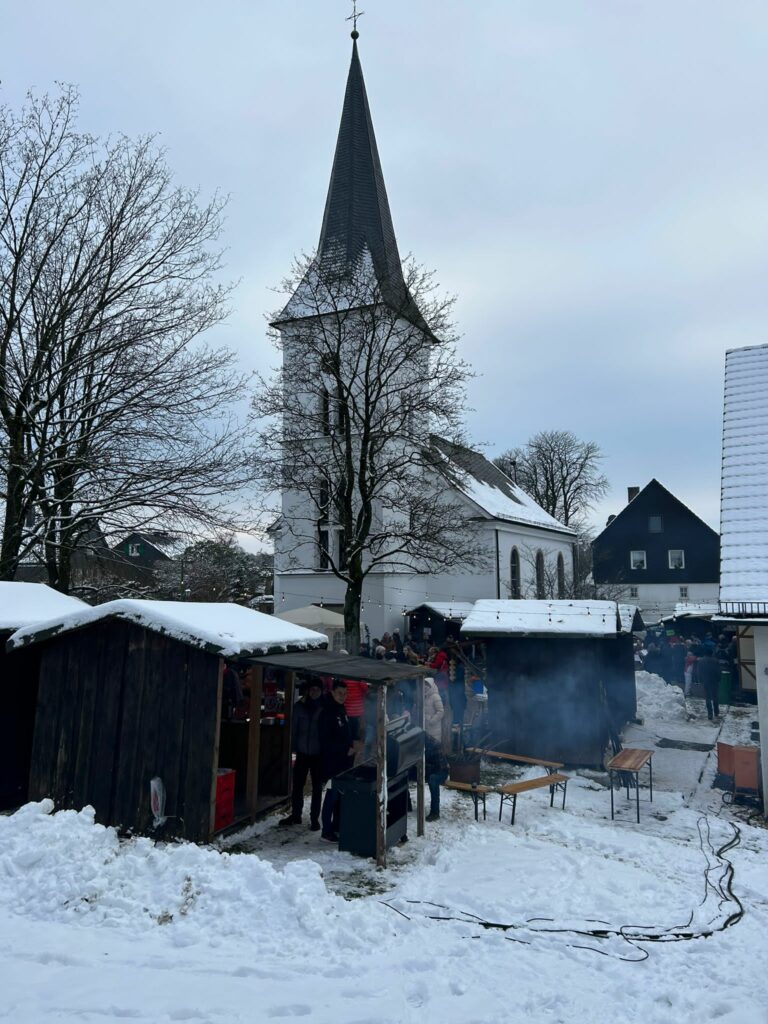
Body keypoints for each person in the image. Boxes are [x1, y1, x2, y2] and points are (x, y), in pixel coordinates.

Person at [279, 680, 324, 829]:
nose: (314, 692)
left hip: (318, 754)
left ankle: (314, 819)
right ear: (308, 691)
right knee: (298, 785)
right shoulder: (299, 707)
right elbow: (294, 729)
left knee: (317, 788)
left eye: (317, 689)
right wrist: (292, 748)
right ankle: (296, 814)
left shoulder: (324, 708)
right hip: (302, 752)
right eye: (312, 689)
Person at [318, 680, 354, 841]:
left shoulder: (341, 708)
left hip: (344, 762)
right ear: (332, 692)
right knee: (332, 795)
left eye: (345, 694)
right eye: (340, 693)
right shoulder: (327, 711)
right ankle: (326, 829)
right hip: (332, 762)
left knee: (339, 795)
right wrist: (345, 749)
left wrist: (351, 744)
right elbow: (326, 740)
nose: (343, 696)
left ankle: (337, 825)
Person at [425, 733, 449, 821]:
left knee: (433, 780)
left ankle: (435, 813)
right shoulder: (424, 742)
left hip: (441, 772)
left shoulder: (434, 745)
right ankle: (407, 805)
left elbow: (437, 765)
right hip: (430, 770)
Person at [695, 649, 721, 721]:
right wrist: (719, 679)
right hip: (714, 681)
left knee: (708, 697)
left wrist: (700, 680)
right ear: (711, 653)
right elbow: (718, 671)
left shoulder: (701, 661)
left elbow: (699, 671)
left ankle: (710, 714)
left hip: (706, 681)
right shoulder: (716, 661)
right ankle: (716, 712)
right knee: (715, 696)